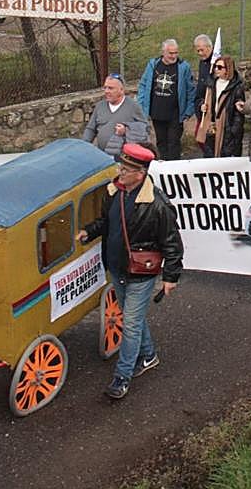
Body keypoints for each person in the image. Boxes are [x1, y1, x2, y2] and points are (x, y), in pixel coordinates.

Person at [77, 144, 183, 399]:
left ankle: (121, 377)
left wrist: (170, 277)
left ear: (140, 173)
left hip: (140, 274)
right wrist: (89, 231)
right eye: (120, 166)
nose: (119, 172)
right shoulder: (114, 191)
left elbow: (172, 242)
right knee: (133, 319)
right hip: (117, 267)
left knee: (131, 325)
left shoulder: (158, 205)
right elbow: (107, 221)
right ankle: (148, 356)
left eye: (125, 169)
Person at [137, 39, 194, 161]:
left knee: (174, 143)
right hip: (157, 112)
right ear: (163, 52)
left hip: (175, 114)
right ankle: (163, 167)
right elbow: (143, 84)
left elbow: (190, 89)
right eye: (170, 53)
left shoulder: (183, 67)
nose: (174, 56)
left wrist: (189, 110)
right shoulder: (153, 65)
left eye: (176, 53)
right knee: (161, 142)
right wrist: (142, 106)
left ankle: (174, 170)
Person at [82, 74, 150, 157]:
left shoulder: (133, 107)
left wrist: (126, 130)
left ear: (121, 90)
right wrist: (83, 145)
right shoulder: (100, 106)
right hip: (103, 156)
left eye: (110, 88)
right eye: (105, 87)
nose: (106, 91)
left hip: (124, 158)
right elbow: (91, 129)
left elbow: (145, 129)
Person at [196, 55, 245, 157]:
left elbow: (239, 113)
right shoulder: (211, 83)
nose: (216, 69)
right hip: (211, 126)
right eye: (215, 66)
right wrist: (202, 106)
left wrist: (233, 131)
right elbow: (203, 99)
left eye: (219, 67)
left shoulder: (237, 87)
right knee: (209, 156)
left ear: (228, 69)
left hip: (226, 129)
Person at [191, 34, 215, 122]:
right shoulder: (202, 62)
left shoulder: (218, 63)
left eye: (202, 50)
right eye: (198, 50)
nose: (200, 53)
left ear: (209, 47)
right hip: (202, 107)